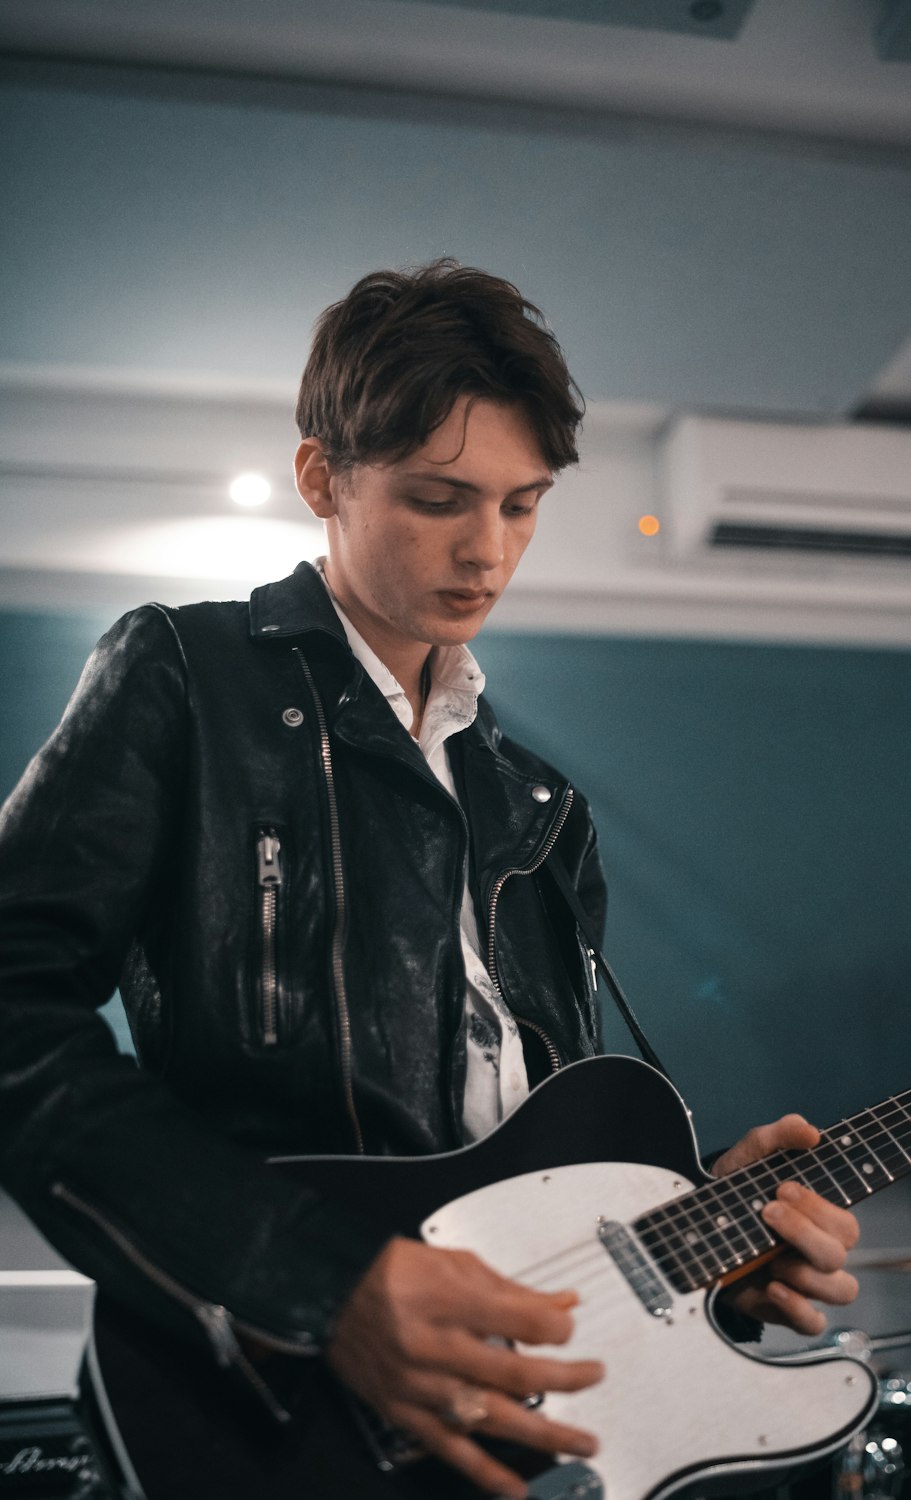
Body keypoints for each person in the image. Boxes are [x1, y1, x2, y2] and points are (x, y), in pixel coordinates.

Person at [0, 260, 860, 1499]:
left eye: (522, 504)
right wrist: (323, 1283)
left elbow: (536, 1153)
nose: (487, 551)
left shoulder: (539, 804)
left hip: (507, 1427)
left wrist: (703, 1227)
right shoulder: (184, 676)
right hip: (265, 1388)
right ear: (321, 480)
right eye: (440, 498)